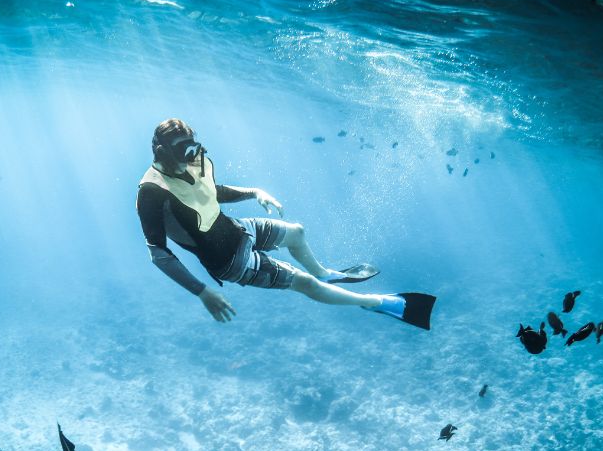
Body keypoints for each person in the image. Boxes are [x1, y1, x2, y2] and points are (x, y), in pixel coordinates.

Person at [136, 118, 434, 328]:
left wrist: (255, 192)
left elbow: (210, 192)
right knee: (304, 284)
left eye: (192, 147)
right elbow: (158, 254)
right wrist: (202, 292)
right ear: (162, 152)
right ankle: (374, 303)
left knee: (296, 233)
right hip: (228, 261)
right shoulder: (150, 193)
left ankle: (326, 274)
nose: (191, 156)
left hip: (237, 229)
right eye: (182, 150)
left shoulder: (190, 163)